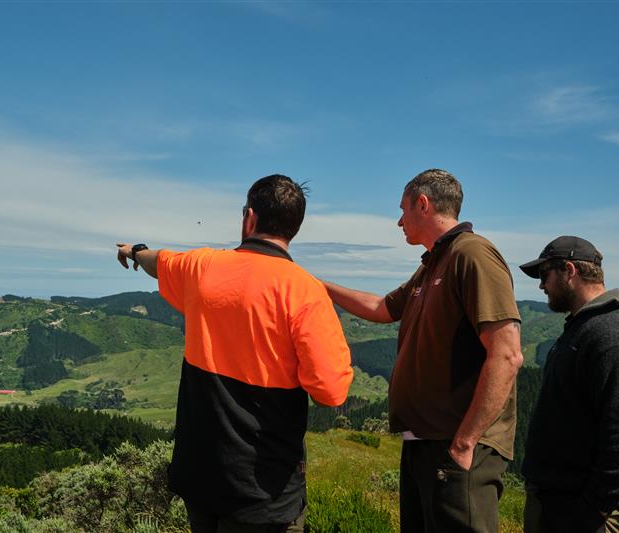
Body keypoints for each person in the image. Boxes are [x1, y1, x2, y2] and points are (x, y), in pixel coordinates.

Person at [116, 174, 353, 533]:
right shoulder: (306, 292)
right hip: (263, 491)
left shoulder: (200, 266)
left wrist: (134, 251)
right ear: (294, 228)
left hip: (200, 477)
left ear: (249, 218)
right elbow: (330, 393)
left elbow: (158, 261)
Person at [323, 168, 524, 532]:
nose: (399, 221)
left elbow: (507, 354)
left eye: (402, 210)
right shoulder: (433, 263)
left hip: (457, 446)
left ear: (423, 204)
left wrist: (464, 443)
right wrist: (316, 287)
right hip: (424, 444)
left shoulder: (473, 255)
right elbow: (381, 307)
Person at [519, 236, 619, 533]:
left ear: (569, 271)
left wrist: (591, 512)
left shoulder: (615, 336)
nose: (541, 285)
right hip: (558, 501)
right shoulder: (584, 326)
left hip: (585, 513)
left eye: (544, 274)